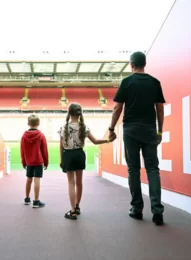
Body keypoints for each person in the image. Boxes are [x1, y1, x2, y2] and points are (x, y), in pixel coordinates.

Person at [108, 51, 165, 226]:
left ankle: (137, 209)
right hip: (149, 129)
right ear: (144, 64)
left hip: (131, 129)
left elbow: (117, 108)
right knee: (153, 169)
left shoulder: (126, 82)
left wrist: (111, 129)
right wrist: (160, 132)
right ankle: (157, 211)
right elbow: (160, 109)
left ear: (131, 65)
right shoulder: (155, 82)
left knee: (133, 169)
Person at [58, 103, 116, 220]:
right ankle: (77, 206)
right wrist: (108, 140)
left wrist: (61, 160)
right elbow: (95, 141)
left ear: (69, 113)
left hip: (68, 155)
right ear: (80, 113)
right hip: (80, 154)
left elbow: (61, 146)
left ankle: (73, 211)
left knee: (71, 183)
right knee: (79, 183)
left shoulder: (63, 127)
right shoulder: (84, 127)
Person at [21, 114, 49, 208]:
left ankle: (27, 199)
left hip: (29, 161)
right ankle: (36, 201)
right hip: (38, 161)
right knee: (37, 179)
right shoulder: (41, 135)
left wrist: (23, 161)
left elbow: (22, 150)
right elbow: (44, 150)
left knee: (29, 179)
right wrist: (46, 162)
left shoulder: (24, 136)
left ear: (28, 123)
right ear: (38, 123)